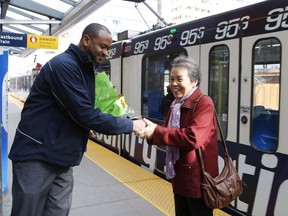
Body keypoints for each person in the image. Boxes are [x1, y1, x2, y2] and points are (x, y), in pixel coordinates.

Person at [8, 23, 146, 216]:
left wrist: (85, 127)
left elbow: (74, 111)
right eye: (103, 46)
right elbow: (85, 114)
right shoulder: (64, 66)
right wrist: (131, 125)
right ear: (86, 40)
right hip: (37, 156)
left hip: (62, 156)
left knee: (58, 211)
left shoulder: (84, 68)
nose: (106, 52)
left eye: (109, 48)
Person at [137, 56, 218, 216]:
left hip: (198, 181)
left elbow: (192, 138)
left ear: (194, 81)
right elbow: (168, 133)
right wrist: (149, 132)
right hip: (180, 176)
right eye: (171, 79)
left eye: (179, 79)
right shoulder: (175, 104)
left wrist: (157, 131)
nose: (173, 84)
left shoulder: (204, 103)